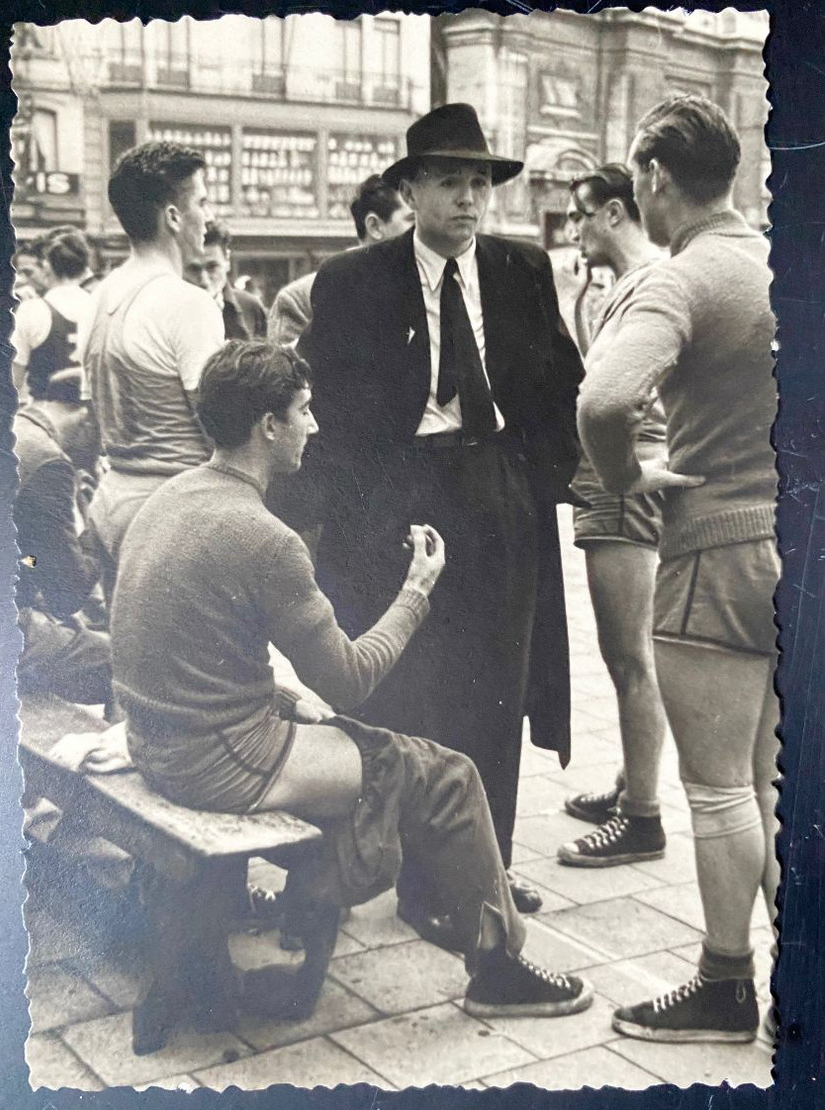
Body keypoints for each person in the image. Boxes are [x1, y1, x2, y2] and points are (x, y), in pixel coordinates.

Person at [109, 338, 594, 1027]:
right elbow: (350, 680)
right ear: (267, 426)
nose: (315, 425)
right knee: (444, 774)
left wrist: (275, 696)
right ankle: (499, 968)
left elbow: (170, 650)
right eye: (303, 411)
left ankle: (310, 927)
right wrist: (416, 592)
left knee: (356, 751)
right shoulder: (264, 536)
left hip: (156, 742)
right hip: (214, 762)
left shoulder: (166, 500)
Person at [299, 104, 585, 938]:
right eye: (450, 183)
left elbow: (560, 382)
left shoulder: (522, 269)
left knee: (500, 680)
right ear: (410, 189)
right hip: (404, 498)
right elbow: (336, 418)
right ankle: (425, 882)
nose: (469, 200)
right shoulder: (353, 281)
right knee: (420, 685)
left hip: (498, 491)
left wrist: (542, 480)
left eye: (480, 184)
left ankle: (482, 869)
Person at [578, 95, 778, 1042]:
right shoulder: (782, 260)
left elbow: (604, 397)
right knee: (776, 781)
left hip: (714, 554)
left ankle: (724, 984)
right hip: (794, 543)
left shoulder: (683, 278)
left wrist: (629, 477)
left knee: (718, 788)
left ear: (655, 179)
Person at [556, 164, 670, 867]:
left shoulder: (653, 283)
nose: (573, 228)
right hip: (612, 473)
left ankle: (643, 817)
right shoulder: (622, 287)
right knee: (627, 650)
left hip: (623, 474)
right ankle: (634, 782)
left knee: (628, 654)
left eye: (580, 215)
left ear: (615, 214)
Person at [80, 141, 225, 601]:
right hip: (176, 510)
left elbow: (93, 409)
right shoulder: (187, 302)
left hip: (114, 499)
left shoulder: (101, 294)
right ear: (173, 217)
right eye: (201, 201)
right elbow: (219, 427)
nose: (208, 214)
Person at [14, 370, 112, 709]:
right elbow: (67, 595)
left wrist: (32, 565)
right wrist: (99, 516)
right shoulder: (49, 461)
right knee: (129, 667)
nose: (101, 451)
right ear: (86, 417)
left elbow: (24, 556)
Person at [267, 174, 415, 346]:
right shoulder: (299, 300)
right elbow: (283, 370)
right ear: (374, 226)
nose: (424, 231)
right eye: (413, 220)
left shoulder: (436, 291)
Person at [12, 228, 94, 404]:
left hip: (47, 419)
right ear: (83, 269)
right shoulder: (101, 308)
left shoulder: (31, 310)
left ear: (47, 267)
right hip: (95, 418)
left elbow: (12, 382)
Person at [183, 219, 268, 340]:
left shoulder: (250, 306)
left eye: (212, 267)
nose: (204, 280)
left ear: (227, 260)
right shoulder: (171, 311)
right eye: (194, 269)